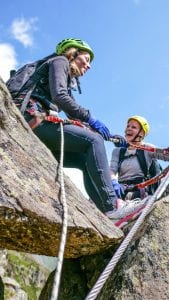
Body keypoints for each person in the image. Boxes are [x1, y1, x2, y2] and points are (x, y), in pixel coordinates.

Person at [9, 38, 145, 222]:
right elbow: (61, 96)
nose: (88, 66)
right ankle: (113, 205)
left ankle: (107, 214)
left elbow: (73, 114)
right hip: (30, 120)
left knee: (84, 158)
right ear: (72, 53)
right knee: (93, 141)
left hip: (35, 126)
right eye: (86, 59)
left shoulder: (63, 75)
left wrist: (110, 136)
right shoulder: (60, 61)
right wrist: (91, 119)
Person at [110, 115, 169, 202]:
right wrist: (113, 182)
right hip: (121, 188)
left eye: (133, 127)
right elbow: (111, 170)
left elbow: (166, 156)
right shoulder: (118, 151)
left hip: (139, 191)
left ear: (142, 133)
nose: (129, 128)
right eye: (128, 126)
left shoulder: (147, 148)